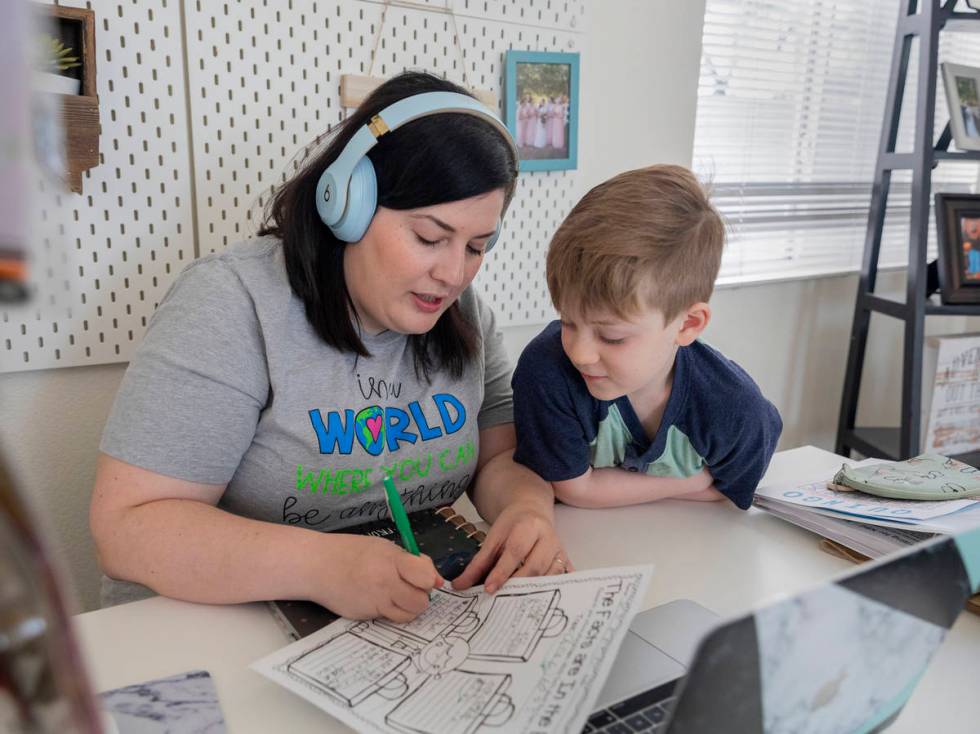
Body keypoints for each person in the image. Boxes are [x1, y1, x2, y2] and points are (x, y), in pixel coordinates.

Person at [89, 71, 571, 623]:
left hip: (381, 628)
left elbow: (497, 456)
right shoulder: (230, 304)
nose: (454, 273)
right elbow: (128, 528)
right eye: (430, 238)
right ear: (348, 203)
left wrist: (527, 510)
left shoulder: (464, 315)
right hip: (205, 634)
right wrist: (321, 565)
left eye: (476, 246)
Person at [512, 165, 782, 510]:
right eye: (567, 321)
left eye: (611, 337)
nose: (579, 353)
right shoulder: (547, 372)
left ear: (688, 325)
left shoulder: (737, 412)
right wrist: (691, 480)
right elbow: (571, 489)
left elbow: (729, 490)